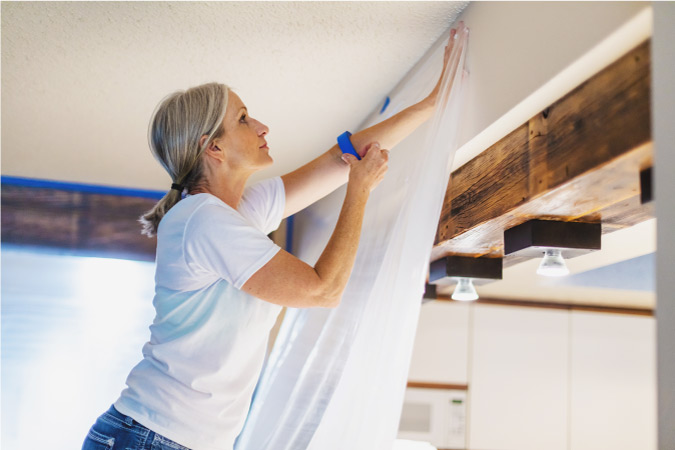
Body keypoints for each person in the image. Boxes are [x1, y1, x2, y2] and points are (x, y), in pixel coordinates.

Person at [82, 29, 457, 450]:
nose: (261, 126)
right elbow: (322, 289)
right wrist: (360, 191)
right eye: (243, 119)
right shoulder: (203, 220)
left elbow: (341, 159)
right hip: (153, 437)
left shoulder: (233, 213)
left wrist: (431, 103)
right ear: (214, 148)